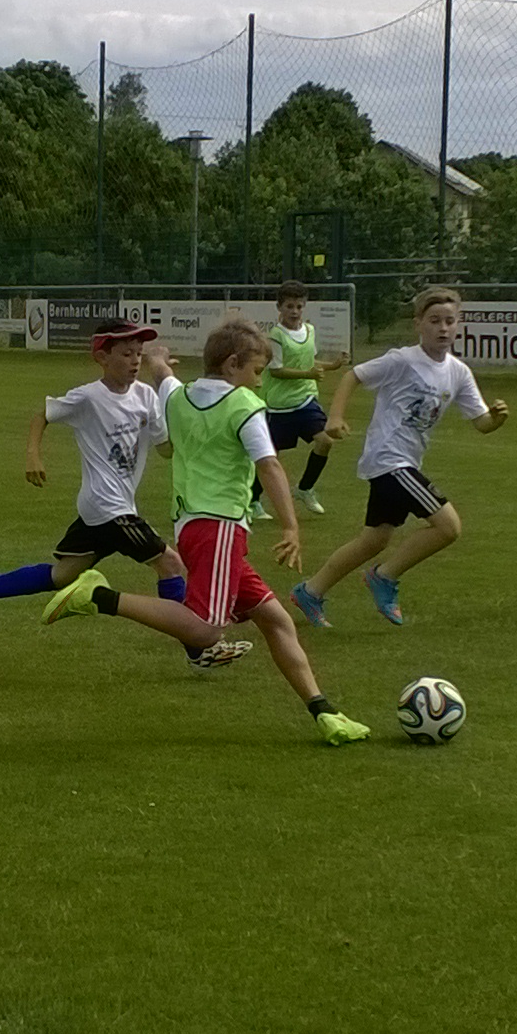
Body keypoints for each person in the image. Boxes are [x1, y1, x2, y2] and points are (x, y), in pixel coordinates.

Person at [41, 318, 368, 745]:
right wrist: (290, 525)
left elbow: (163, 375)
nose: (259, 381)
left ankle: (324, 712)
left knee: (275, 619)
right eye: (255, 371)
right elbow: (269, 465)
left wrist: (157, 359)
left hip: (194, 527)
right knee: (206, 630)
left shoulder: (180, 396)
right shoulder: (245, 406)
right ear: (232, 365)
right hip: (220, 528)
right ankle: (97, 596)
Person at [0, 322, 238, 666]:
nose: (135, 361)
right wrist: (33, 455)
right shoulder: (88, 397)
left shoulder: (146, 396)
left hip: (109, 507)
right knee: (170, 563)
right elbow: (42, 415)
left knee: (62, 575)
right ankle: (197, 649)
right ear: (102, 358)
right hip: (108, 506)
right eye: (126, 354)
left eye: (139, 354)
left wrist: (195, 432)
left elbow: (166, 449)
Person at [294, 286, 511, 628]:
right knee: (448, 526)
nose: (443, 328)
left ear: (458, 324)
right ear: (418, 324)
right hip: (389, 460)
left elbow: (481, 422)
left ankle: (310, 591)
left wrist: (496, 419)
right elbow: (353, 375)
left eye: (449, 321)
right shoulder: (403, 360)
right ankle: (384, 577)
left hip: (404, 462)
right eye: (434, 320)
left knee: (374, 539)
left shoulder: (458, 372)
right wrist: (334, 417)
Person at [258, 280, 344, 517]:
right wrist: (309, 374)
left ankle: (305, 489)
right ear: (279, 307)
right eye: (289, 306)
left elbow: (309, 363)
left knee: (325, 441)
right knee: (270, 456)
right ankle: (253, 500)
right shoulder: (276, 335)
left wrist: (333, 365)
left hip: (305, 400)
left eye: (299, 306)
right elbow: (276, 370)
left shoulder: (309, 330)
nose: (294, 311)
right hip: (280, 405)